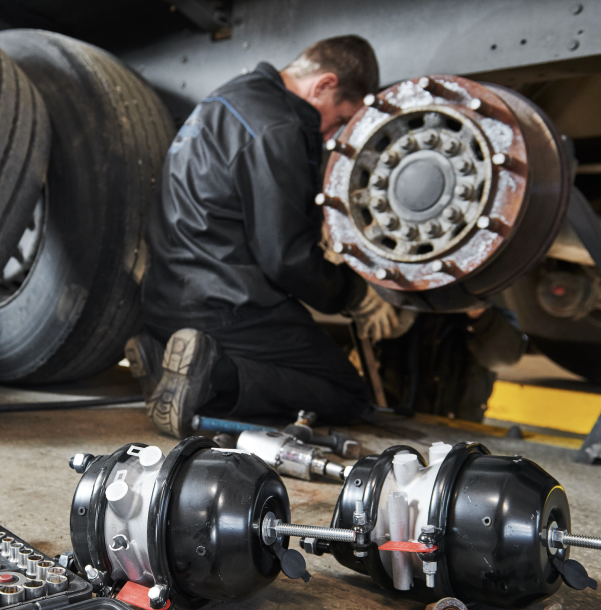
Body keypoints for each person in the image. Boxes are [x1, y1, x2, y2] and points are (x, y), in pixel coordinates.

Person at [125, 36, 399, 439]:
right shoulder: (279, 126)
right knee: (348, 394)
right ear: (323, 84)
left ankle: (164, 356)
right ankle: (215, 376)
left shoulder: (227, 99)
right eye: (341, 119)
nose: (332, 136)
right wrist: (353, 294)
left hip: (167, 298)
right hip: (223, 305)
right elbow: (286, 257)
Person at [378, 308, 527, 422]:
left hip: (458, 430)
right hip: (395, 424)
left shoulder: (488, 314)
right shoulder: (398, 310)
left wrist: (479, 312)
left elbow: (505, 357)